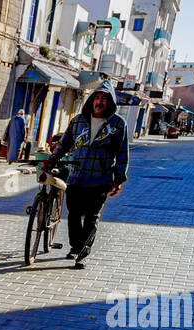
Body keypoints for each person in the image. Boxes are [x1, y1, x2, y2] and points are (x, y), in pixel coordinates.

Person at [42, 80, 129, 270]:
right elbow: (64, 144)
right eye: (97, 98)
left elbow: (122, 153)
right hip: (77, 176)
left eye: (104, 99)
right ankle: (76, 246)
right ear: (91, 100)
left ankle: (83, 253)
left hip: (101, 179)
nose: (100, 102)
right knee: (73, 215)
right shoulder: (78, 121)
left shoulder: (118, 124)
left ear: (111, 102)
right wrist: (52, 160)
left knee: (92, 217)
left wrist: (119, 178)